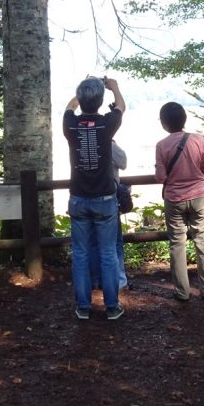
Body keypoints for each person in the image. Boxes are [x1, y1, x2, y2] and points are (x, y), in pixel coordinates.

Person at [63, 76, 125, 320]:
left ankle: (83, 307)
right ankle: (111, 307)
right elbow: (121, 106)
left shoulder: (70, 124)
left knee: (80, 253)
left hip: (78, 198)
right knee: (109, 252)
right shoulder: (107, 124)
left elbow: (70, 107)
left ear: (81, 99)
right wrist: (113, 86)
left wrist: (84, 88)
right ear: (100, 101)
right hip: (105, 199)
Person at [155, 101, 204, 302]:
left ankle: (182, 292)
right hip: (200, 197)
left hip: (174, 199)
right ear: (184, 120)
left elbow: (160, 177)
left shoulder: (161, 145)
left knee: (177, 244)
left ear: (163, 124)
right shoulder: (199, 140)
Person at [90, 139, 128, 292]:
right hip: (107, 199)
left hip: (86, 197)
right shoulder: (109, 144)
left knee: (92, 243)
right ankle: (118, 281)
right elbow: (123, 162)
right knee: (115, 242)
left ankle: (95, 280)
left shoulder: (82, 142)